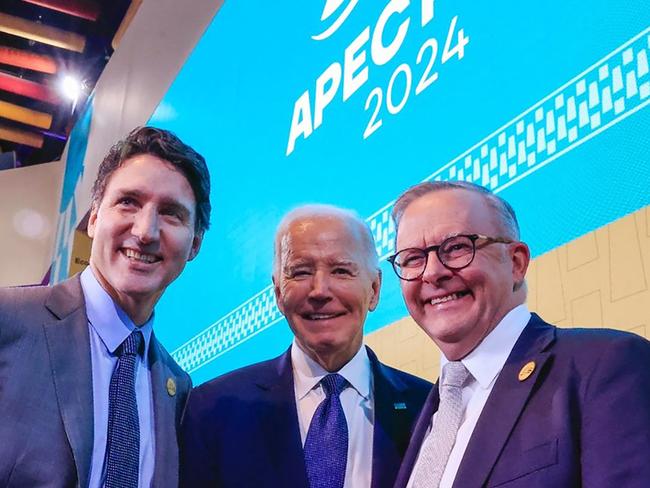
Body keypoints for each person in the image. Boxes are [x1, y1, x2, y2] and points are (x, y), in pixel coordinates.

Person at [388, 181, 650, 488]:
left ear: (516, 262)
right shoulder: (420, 413)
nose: (431, 272)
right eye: (412, 258)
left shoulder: (606, 365)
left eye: (457, 247)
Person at [0, 126, 211, 488]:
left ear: (194, 245)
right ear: (94, 218)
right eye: (128, 201)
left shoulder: (178, 389)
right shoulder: (9, 321)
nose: (146, 231)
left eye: (172, 213)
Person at [180, 205, 431, 488]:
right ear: (278, 293)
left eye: (341, 270)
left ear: (374, 290)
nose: (320, 291)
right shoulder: (212, 408)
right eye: (300, 272)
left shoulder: (428, 408)